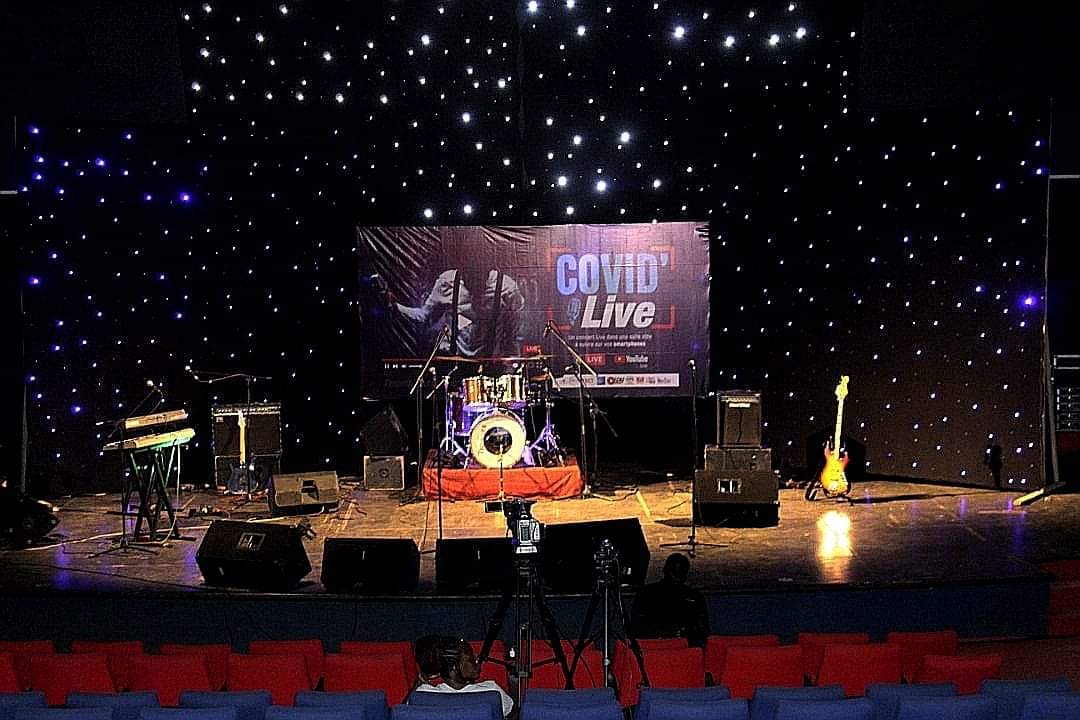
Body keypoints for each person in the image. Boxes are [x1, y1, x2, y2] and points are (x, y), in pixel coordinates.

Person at [391, 264, 526, 358]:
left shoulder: (506, 287)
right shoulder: (447, 281)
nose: (473, 279)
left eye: (478, 273)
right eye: (468, 273)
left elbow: (514, 331)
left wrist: (514, 360)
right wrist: (395, 306)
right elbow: (423, 315)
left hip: (490, 365)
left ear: (488, 268)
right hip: (454, 362)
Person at [414, 636, 514, 718]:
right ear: (454, 667)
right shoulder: (492, 690)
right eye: (471, 658)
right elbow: (512, 713)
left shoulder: (423, 693)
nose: (477, 660)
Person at [630, 553, 710, 647]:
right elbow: (637, 628)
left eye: (680, 574)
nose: (676, 579)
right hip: (656, 647)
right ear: (666, 571)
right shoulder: (646, 594)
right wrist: (666, 633)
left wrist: (685, 631)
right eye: (674, 573)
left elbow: (703, 631)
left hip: (685, 648)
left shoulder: (695, 598)